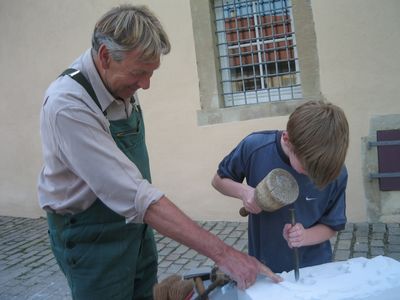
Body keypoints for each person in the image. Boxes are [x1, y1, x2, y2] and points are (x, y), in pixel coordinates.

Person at [37, 4, 281, 300]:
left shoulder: (118, 80)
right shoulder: (68, 106)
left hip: (135, 226)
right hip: (90, 236)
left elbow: (136, 200)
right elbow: (137, 195)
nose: (146, 85)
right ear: (104, 56)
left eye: (151, 73)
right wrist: (225, 254)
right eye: (139, 73)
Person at [212, 100, 349, 273]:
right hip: (265, 267)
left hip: (314, 270)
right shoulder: (255, 147)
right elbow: (218, 181)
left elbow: (331, 226)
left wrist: (304, 236)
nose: (314, 176)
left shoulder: (334, 171)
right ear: (287, 139)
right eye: (307, 168)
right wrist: (244, 192)